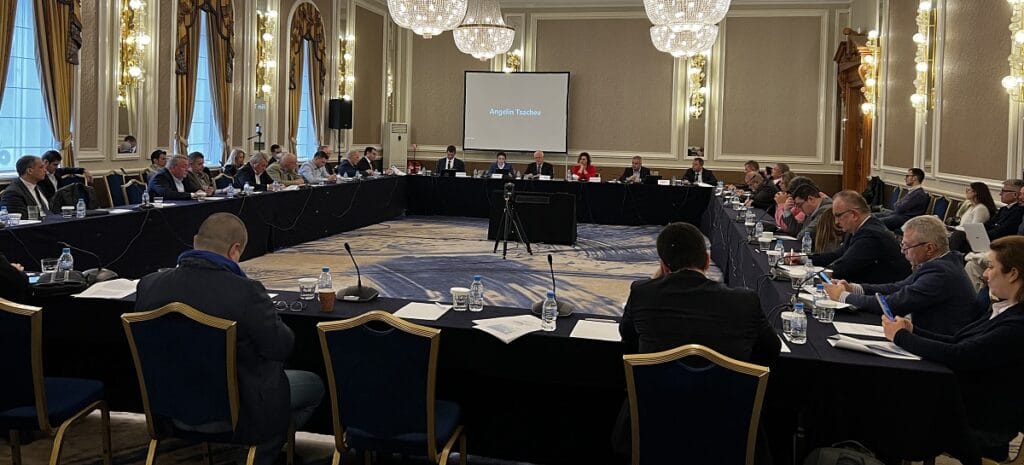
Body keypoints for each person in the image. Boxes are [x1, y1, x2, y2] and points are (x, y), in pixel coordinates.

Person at [133, 213, 324, 465]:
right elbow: (281, 347)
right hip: (237, 413)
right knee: (312, 385)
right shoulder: (245, 291)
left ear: (195, 241)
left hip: (169, 407)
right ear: (235, 250)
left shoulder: (149, 285)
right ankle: (264, 450)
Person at [616, 222, 780, 456]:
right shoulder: (745, 301)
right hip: (727, 426)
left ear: (663, 266)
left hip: (656, 424)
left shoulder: (642, 293)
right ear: (707, 261)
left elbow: (628, 338)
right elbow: (771, 350)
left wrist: (656, 282)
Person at [883, 235, 1024, 464]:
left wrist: (901, 337)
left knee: (890, 408)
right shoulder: (1004, 309)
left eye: (991, 267)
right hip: (965, 403)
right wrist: (912, 331)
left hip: (980, 421)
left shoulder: (1017, 325)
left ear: (1013, 274)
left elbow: (960, 355)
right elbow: (958, 341)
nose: (985, 274)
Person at [824, 216, 976, 336]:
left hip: (933, 344)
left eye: (907, 246)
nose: (902, 252)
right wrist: (853, 288)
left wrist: (842, 296)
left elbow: (893, 304)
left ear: (929, 248)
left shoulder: (941, 273)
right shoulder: (941, 263)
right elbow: (898, 287)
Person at [809, 190, 911, 284]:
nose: (836, 222)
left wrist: (811, 274)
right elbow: (837, 255)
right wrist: (806, 259)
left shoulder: (871, 235)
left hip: (883, 292)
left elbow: (843, 267)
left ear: (854, 214)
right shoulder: (860, 228)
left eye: (838, 216)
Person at [878, 168, 929, 232]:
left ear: (914, 178)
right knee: (873, 216)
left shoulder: (919, 194)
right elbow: (898, 205)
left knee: (876, 222)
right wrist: (898, 205)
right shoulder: (913, 191)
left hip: (906, 220)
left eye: (907, 176)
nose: (905, 178)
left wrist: (898, 205)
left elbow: (899, 208)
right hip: (898, 215)